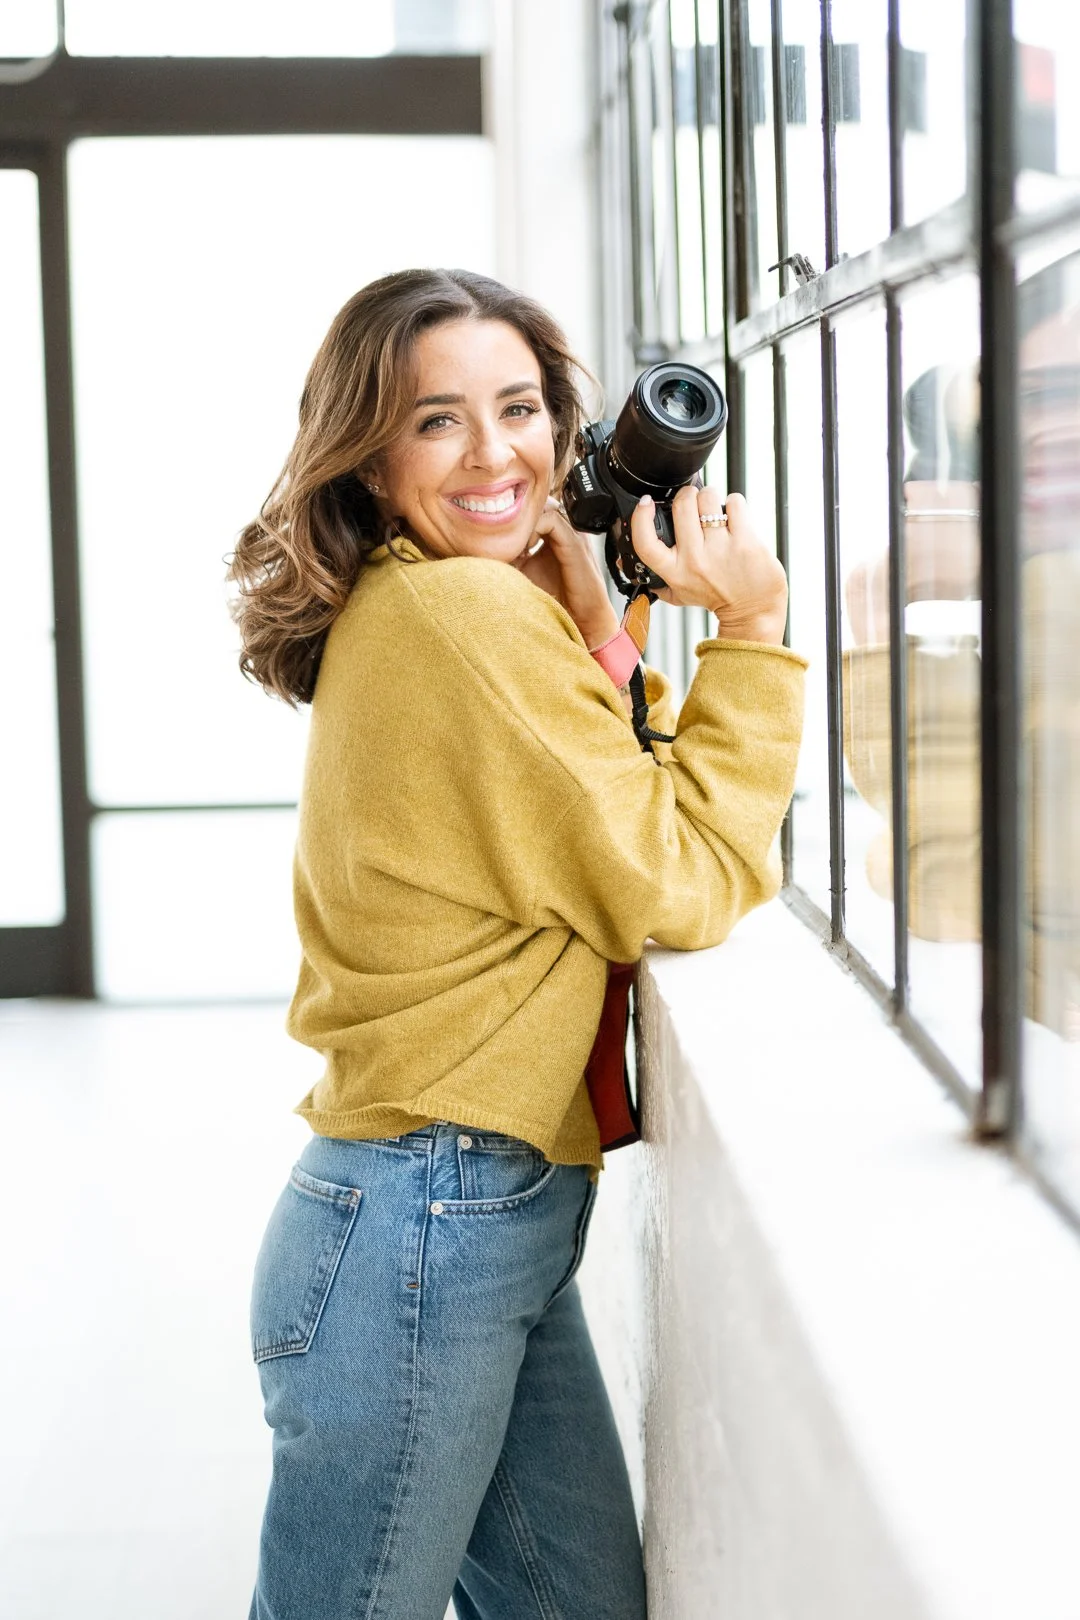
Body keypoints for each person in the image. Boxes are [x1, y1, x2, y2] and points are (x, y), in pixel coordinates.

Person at [228, 267, 806, 1620]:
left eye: (522, 408)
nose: (496, 455)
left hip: (456, 1213)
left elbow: (602, 802)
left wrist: (601, 631)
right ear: (367, 458)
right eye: (437, 421)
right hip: (430, 1216)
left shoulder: (437, 601)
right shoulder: (461, 617)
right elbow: (681, 874)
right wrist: (755, 630)